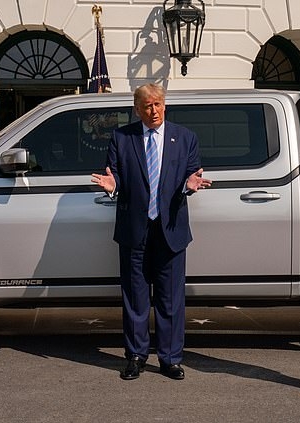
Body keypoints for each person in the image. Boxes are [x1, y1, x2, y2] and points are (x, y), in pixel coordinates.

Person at [91, 83, 211, 380]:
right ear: (137, 109)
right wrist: (113, 186)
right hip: (135, 231)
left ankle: (170, 358)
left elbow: (191, 174)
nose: (153, 110)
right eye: (147, 106)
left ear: (164, 105)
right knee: (136, 297)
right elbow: (114, 174)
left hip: (170, 230)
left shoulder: (185, 138)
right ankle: (135, 356)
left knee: (171, 299)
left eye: (158, 104)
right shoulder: (122, 137)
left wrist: (188, 185)